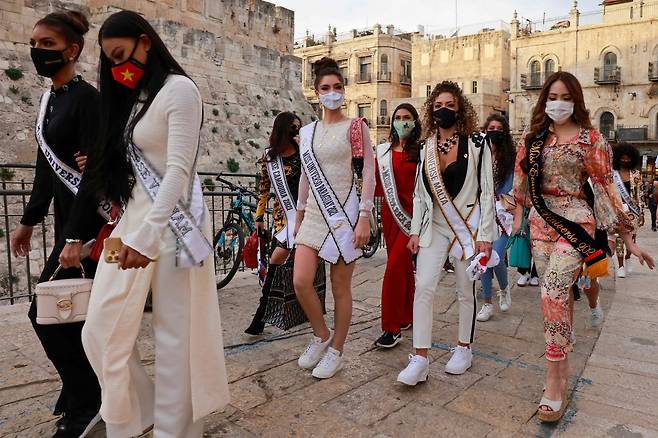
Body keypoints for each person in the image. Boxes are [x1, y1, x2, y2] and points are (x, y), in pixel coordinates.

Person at [79, 10, 229, 437]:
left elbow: (178, 172)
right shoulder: (142, 100)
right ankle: (137, 409)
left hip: (175, 225)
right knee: (99, 328)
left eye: (121, 54)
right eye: (110, 61)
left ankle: (173, 430)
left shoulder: (180, 90)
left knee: (175, 338)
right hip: (138, 221)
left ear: (146, 42)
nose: (116, 67)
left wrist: (147, 237)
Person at [513, 71, 654, 422]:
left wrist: (629, 240)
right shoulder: (532, 140)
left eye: (564, 97)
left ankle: (554, 380)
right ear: (545, 100)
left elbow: (606, 189)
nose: (557, 103)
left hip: (575, 222)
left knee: (552, 290)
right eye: (552, 96)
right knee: (557, 298)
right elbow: (520, 191)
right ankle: (563, 366)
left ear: (575, 100)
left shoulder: (590, 140)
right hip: (540, 225)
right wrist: (513, 225)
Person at [9, 11, 105, 437]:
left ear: (72, 50)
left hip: (93, 228)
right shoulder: (52, 98)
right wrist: (29, 222)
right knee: (72, 318)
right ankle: (81, 389)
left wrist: (75, 237)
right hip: (69, 225)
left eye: (47, 44)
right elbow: (47, 169)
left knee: (44, 314)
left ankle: (87, 402)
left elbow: (96, 174)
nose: (37, 51)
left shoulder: (87, 100)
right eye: (34, 43)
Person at [397, 80, 497, 385]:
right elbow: (418, 195)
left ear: (460, 109)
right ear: (431, 109)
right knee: (424, 286)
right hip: (434, 228)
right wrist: (414, 231)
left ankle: (463, 348)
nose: (444, 110)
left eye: (450, 105)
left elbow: (487, 192)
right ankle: (420, 358)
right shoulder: (426, 147)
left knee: (465, 291)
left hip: (467, 226)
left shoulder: (478, 144)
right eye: (438, 106)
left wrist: (486, 234)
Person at [293, 57, 375, 379]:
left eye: (337, 87)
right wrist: (298, 212)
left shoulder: (356, 127)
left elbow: (368, 171)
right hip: (314, 213)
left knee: (340, 288)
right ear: (316, 92)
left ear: (344, 90)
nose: (332, 93)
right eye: (325, 88)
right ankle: (321, 334)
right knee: (301, 280)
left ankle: (337, 350)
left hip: (344, 215)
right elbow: (305, 175)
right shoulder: (309, 131)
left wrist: (365, 216)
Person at [245, 111, 302, 335]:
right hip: (282, 219)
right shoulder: (270, 157)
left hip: (304, 217)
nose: (296, 131)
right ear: (282, 129)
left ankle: (262, 317)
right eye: (292, 128)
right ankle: (263, 316)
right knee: (279, 263)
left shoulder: (303, 153)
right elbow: (264, 189)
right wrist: (259, 217)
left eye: (299, 127)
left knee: (286, 263)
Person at [373, 103, 421, 348]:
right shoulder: (382, 152)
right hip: (390, 216)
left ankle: (391, 328)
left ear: (415, 122)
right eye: (399, 117)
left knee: (392, 270)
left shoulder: (421, 152)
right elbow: (373, 183)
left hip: (412, 220)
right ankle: (406, 315)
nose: (403, 121)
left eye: (407, 118)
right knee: (401, 269)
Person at [476, 114, 516, 322]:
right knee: (484, 256)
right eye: (491, 127)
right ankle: (487, 303)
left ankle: (503, 289)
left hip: (502, 213)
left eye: (498, 128)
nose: (494, 131)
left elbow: (510, 187)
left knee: (496, 255)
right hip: (482, 212)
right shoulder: (479, 153)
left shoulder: (509, 158)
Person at [611, 143, 644, 278]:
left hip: (633, 211)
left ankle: (628, 257)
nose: (625, 160)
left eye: (627, 158)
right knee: (619, 239)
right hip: (618, 210)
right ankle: (620, 266)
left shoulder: (636, 174)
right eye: (622, 158)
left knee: (632, 238)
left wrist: (641, 213)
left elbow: (640, 195)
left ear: (632, 159)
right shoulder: (612, 174)